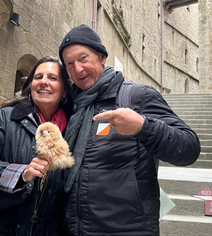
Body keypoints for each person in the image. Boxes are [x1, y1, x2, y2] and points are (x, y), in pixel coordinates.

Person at [59, 24, 201, 236]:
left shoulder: (137, 97)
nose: (77, 69)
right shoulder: (73, 106)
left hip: (127, 230)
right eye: (70, 64)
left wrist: (143, 127)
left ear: (102, 57)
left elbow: (189, 148)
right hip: (74, 229)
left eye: (84, 58)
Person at [0, 56, 73, 236]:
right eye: (38, 77)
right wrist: (21, 174)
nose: (44, 82)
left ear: (64, 90)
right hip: (1, 229)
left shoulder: (73, 128)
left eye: (52, 78)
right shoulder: (7, 118)